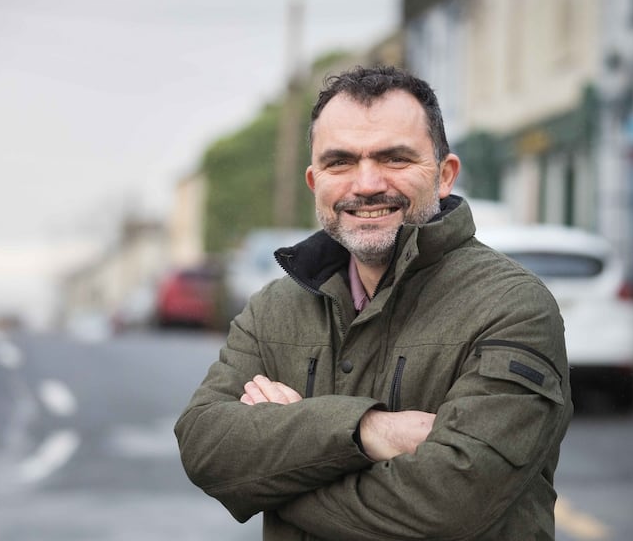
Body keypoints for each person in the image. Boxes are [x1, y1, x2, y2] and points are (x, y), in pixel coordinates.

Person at [175, 65, 572, 540]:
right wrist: (368, 432)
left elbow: (447, 508)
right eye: (340, 162)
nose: (365, 184)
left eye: (394, 158)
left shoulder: (513, 307)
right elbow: (205, 446)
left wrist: (275, 482)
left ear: (445, 175)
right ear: (314, 181)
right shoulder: (274, 308)